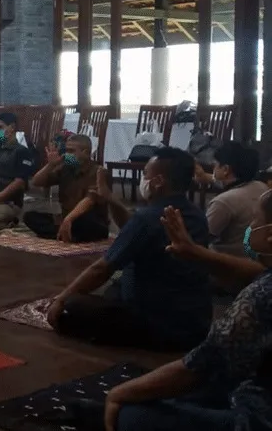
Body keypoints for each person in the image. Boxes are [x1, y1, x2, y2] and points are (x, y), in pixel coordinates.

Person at [103, 191, 272, 431]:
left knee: (131, 416)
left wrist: (119, 394)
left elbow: (203, 364)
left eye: (255, 221)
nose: (250, 227)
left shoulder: (261, 295)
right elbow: (257, 272)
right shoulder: (195, 215)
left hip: (258, 417)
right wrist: (194, 252)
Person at [46, 147, 212, 352]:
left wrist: (61, 299)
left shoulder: (148, 217)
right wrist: (109, 198)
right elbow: (133, 228)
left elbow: (102, 269)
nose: (143, 180)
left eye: (145, 175)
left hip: (160, 323)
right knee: (116, 286)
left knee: (72, 309)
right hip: (196, 320)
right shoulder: (196, 214)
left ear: (158, 182)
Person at [23, 134, 110, 242]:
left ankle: (62, 233)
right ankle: (66, 234)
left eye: (71, 151)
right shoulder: (66, 168)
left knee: (84, 221)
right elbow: (36, 182)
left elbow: (90, 200)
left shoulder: (99, 171)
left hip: (89, 221)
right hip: (66, 219)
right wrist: (50, 165)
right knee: (30, 216)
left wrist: (69, 219)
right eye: (66, 150)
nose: (66, 155)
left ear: (86, 153)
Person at [191, 141, 268, 258]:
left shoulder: (223, 203)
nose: (213, 169)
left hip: (226, 264)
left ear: (226, 169)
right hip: (254, 260)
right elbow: (223, 181)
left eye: (215, 165)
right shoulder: (262, 187)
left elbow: (200, 240)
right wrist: (204, 176)